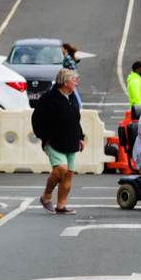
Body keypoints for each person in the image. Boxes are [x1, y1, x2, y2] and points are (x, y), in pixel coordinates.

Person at [32, 66, 83, 213]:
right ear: (66, 82)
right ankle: (46, 196)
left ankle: (61, 205)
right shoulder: (49, 98)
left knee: (68, 174)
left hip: (71, 142)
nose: (76, 83)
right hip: (54, 142)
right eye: (74, 80)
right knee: (61, 168)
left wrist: (81, 137)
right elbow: (36, 119)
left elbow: (75, 120)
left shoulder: (72, 97)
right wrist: (45, 137)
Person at [124, 59, 141, 126]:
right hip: (139, 112)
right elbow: (136, 98)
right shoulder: (135, 81)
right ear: (137, 70)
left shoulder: (138, 80)